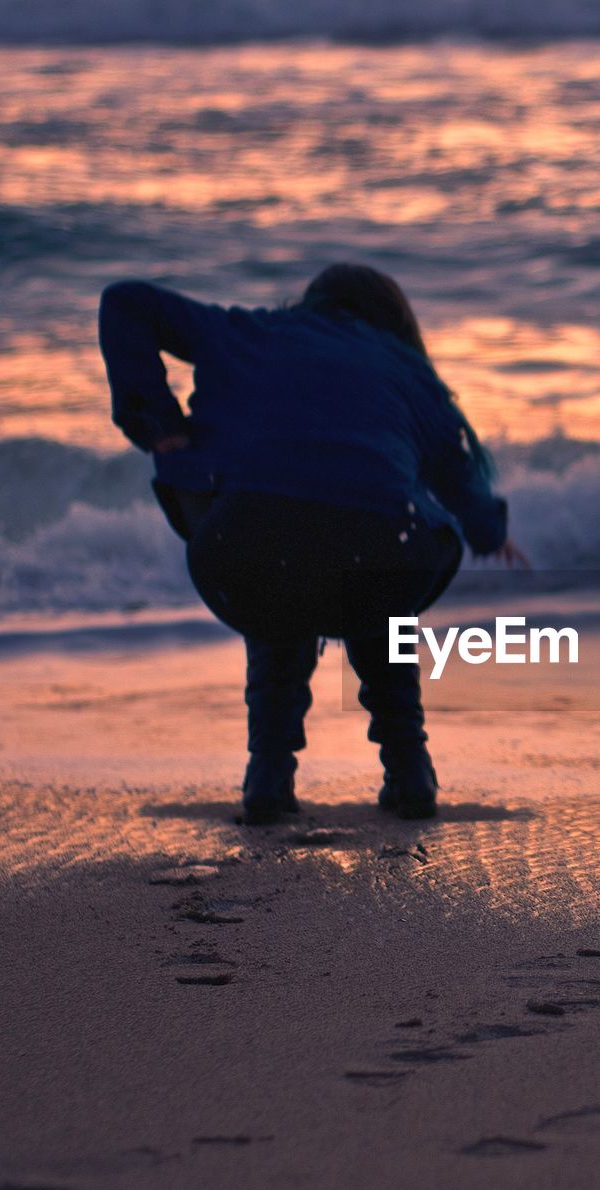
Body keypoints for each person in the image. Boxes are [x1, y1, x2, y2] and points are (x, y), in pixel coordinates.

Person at [98, 263, 522, 823]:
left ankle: (268, 775)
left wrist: (161, 427)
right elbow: (462, 481)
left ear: (312, 300)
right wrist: (491, 533)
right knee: (378, 572)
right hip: (377, 562)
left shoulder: (249, 333)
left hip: (241, 553)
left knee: (279, 561)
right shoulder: (408, 372)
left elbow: (125, 301)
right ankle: (409, 769)